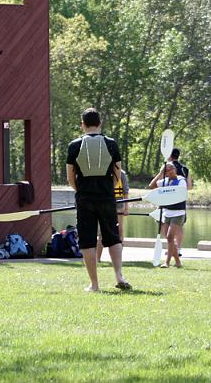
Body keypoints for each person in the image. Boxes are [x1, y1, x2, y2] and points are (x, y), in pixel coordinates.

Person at [66, 108, 130, 292]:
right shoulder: (111, 144)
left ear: (82, 124)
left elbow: (70, 177)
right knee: (113, 236)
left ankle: (94, 284)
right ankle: (119, 275)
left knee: (87, 240)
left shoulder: (74, 145)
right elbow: (117, 174)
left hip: (85, 198)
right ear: (100, 123)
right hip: (107, 197)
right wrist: (107, 189)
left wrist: (81, 190)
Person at [148, 162, 188, 268]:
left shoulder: (181, 180)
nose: (170, 171)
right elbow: (151, 185)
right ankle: (178, 262)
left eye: (172, 169)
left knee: (170, 236)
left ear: (175, 169)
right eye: (167, 170)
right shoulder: (164, 181)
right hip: (166, 212)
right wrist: (161, 172)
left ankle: (167, 262)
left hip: (178, 212)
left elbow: (181, 194)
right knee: (169, 239)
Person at [96, 169, 129, 262]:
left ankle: (118, 258)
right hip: (104, 206)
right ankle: (97, 258)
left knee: (119, 231)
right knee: (102, 233)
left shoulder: (121, 174)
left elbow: (125, 191)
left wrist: (126, 208)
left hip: (118, 206)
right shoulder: (102, 172)